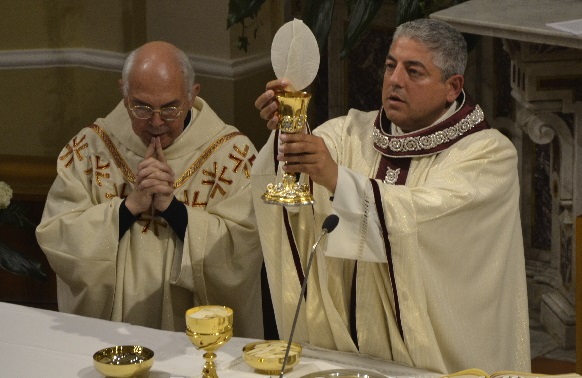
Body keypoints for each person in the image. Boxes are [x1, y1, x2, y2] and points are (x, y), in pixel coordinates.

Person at [251, 19, 530, 373]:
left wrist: (336, 179)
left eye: (414, 71)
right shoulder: (351, 132)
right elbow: (299, 173)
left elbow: (427, 218)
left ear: (452, 86)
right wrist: (289, 129)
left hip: (437, 362)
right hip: (346, 354)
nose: (395, 80)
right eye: (390, 66)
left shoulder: (489, 155)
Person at [36, 41, 264, 338]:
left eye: (170, 108)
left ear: (192, 95)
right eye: (142, 107)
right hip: (111, 337)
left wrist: (174, 209)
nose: (156, 122)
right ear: (124, 93)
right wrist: (128, 207)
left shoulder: (232, 155)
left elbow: (245, 248)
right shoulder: (91, 148)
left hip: (193, 343)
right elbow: (57, 235)